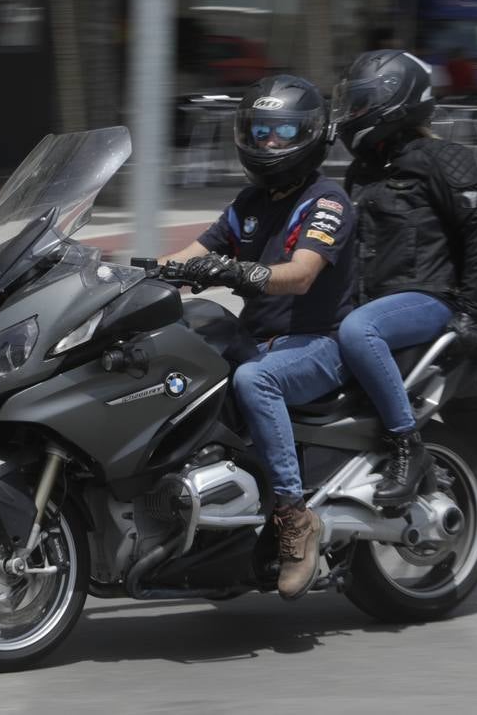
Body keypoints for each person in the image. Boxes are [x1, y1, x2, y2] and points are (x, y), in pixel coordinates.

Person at [168, 74, 356, 600]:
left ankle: (296, 521)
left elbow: (301, 274)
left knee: (255, 382)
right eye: (260, 130)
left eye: (282, 130)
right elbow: (196, 252)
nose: (269, 141)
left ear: (310, 135)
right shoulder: (250, 203)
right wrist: (128, 276)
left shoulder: (326, 201)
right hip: (260, 339)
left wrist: (239, 272)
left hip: (318, 344)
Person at [330, 50, 477, 506]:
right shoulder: (362, 170)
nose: (353, 113)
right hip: (375, 301)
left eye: (363, 102)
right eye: (352, 103)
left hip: (428, 298)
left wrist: (470, 311)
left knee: (358, 329)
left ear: (398, 101)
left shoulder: (441, 159)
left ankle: (406, 445)